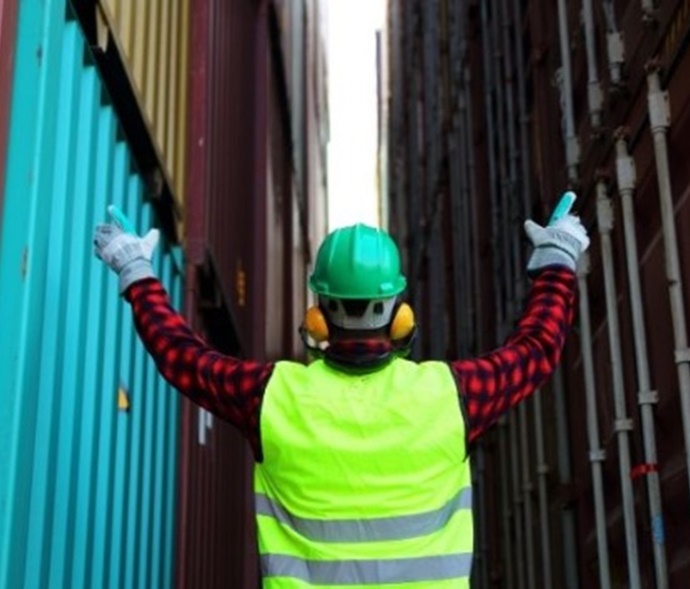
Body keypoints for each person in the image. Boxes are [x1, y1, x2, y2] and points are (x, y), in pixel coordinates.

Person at [93, 206, 589, 588]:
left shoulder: (272, 397)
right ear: (398, 312)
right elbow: (537, 350)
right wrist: (557, 262)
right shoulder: (449, 397)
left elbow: (180, 356)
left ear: (318, 313)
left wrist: (137, 273)